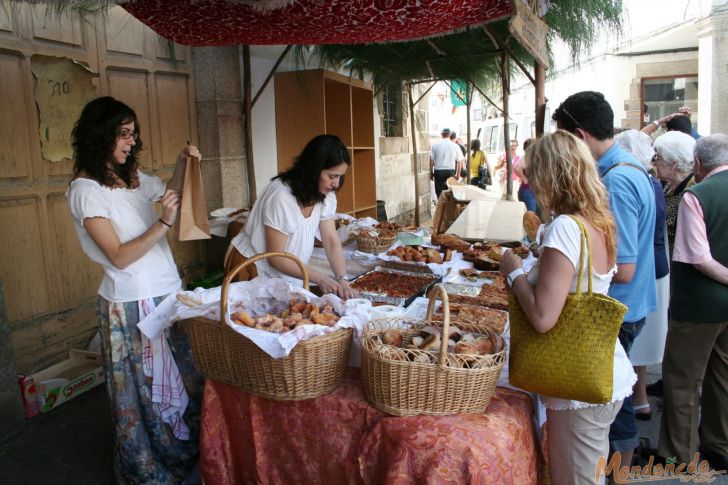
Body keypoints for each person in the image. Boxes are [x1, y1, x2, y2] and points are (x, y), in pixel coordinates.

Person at [66, 96, 203, 484]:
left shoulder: (134, 177)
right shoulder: (86, 191)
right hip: (131, 301)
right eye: (123, 135)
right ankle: (151, 470)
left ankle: (182, 458)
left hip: (166, 290)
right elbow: (120, 256)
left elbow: (169, 197)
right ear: (101, 136)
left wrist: (181, 165)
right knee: (144, 393)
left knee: (184, 379)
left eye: (132, 134)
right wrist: (163, 223)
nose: (130, 142)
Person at [500, 130, 635, 484]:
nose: (530, 181)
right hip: (600, 366)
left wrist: (513, 273)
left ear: (551, 175)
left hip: (579, 381)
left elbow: (543, 317)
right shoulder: (598, 220)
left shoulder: (565, 227)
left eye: (534, 173)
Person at [553, 91, 656, 474]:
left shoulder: (616, 180)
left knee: (615, 406)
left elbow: (623, 267)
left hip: (616, 311)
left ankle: (620, 474)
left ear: (578, 137)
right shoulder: (630, 167)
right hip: (630, 305)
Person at [658, 134, 728, 471]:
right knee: (722, 377)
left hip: (699, 304)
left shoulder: (696, 195)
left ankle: (677, 456)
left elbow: (697, 257)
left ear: (698, 165)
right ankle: (719, 446)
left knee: (682, 380)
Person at [227, 134, 357, 299]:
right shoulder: (282, 196)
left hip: (288, 269)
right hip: (254, 267)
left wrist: (342, 279)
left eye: (340, 176)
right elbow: (276, 257)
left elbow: (330, 239)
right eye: (332, 176)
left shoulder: (325, 194)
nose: (336, 184)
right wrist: (319, 278)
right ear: (313, 169)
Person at [614, 129, 668, 422]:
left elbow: (624, 267)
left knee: (621, 371)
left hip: (634, 283)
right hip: (647, 276)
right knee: (636, 355)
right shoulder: (651, 183)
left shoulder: (622, 182)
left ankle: (624, 439)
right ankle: (640, 402)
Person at [653, 131, 697, 258]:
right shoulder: (666, 184)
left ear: (674, 164)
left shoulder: (692, 191)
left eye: (658, 158)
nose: (654, 163)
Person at [430, 128, 465, 198]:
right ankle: (448, 207)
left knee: (439, 192)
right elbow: (460, 161)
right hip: (450, 171)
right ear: (449, 135)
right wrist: (458, 174)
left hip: (438, 172)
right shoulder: (455, 146)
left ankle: (441, 206)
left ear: (441, 134)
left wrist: (431, 171)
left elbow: (431, 160)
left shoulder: (435, 145)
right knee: (450, 192)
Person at [514, 138, 537, 212]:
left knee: (531, 218)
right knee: (530, 218)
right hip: (528, 192)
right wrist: (524, 180)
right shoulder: (527, 158)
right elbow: (517, 168)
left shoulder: (532, 158)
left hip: (529, 191)